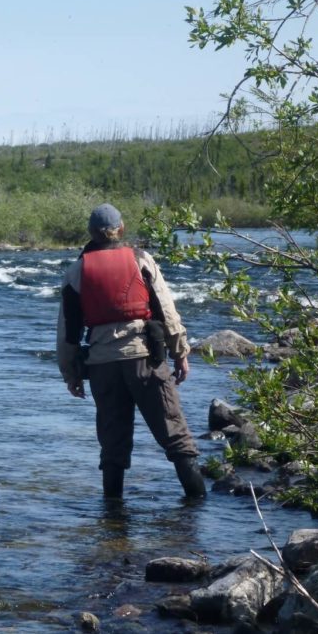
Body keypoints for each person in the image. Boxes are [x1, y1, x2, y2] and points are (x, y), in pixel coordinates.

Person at [56, 203, 206, 500]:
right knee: (175, 436)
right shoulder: (141, 259)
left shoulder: (75, 272)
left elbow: (67, 332)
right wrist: (180, 352)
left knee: (113, 444)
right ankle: (197, 508)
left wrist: (70, 373)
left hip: (101, 367)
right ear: (120, 229)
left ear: (90, 233)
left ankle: (113, 521)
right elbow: (166, 310)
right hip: (144, 360)